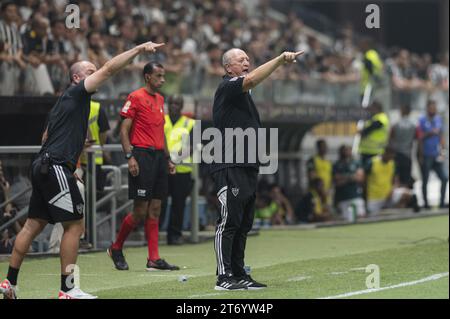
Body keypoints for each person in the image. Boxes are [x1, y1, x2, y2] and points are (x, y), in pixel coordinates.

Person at [0, 40, 165, 299]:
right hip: (54, 167)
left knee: (32, 226)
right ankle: (68, 290)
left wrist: (70, 166)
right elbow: (110, 69)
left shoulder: (65, 102)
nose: (95, 72)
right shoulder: (78, 93)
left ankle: (10, 283)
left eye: (94, 70)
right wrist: (138, 50)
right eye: (90, 71)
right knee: (75, 227)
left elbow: (45, 137)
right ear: (77, 78)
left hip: (45, 166)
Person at [211, 48, 304, 290]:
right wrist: (281, 60)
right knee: (228, 221)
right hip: (230, 163)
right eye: (241, 60)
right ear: (228, 67)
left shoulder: (243, 95)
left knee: (243, 224)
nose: (246, 62)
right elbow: (251, 79)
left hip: (247, 165)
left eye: (247, 59)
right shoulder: (228, 86)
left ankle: (239, 273)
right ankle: (224, 277)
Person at [107, 62, 179, 272]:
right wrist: (130, 157)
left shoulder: (160, 99)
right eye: (159, 76)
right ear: (147, 77)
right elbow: (123, 131)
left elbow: (160, 131)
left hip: (158, 158)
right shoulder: (135, 97)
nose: (163, 80)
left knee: (155, 209)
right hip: (141, 155)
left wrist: (168, 158)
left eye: (163, 76)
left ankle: (153, 259)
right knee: (140, 211)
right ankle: (116, 247)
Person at [161, 95, 195, 245]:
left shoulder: (190, 123)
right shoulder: (161, 120)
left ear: (182, 106)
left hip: (182, 170)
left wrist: (174, 160)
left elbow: (192, 146)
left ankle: (174, 235)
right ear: (168, 104)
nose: (174, 105)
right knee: (158, 203)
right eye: (172, 103)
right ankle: (154, 234)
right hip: (162, 169)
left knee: (178, 204)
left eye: (178, 103)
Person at [365, 147, 418, 215]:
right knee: (372, 216)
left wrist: (393, 189)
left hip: (389, 194)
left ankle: (396, 214)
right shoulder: (372, 162)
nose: (391, 158)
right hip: (374, 197)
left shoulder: (392, 163)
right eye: (391, 156)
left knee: (407, 194)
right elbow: (364, 180)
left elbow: (395, 179)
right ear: (385, 153)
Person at [417, 100, 448, 209]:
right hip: (426, 154)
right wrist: (420, 155)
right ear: (427, 108)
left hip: (436, 154)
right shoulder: (422, 120)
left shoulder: (438, 119)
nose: (434, 110)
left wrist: (443, 151)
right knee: (425, 179)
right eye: (432, 108)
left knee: (444, 178)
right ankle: (426, 204)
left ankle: (442, 202)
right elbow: (419, 138)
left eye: (435, 108)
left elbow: (441, 135)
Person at [333, 145, 366, 222]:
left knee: (360, 216)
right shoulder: (337, 165)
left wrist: (344, 177)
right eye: (345, 150)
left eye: (348, 150)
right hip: (343, 197)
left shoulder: (356, 163)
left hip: (355, 195)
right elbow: (337, 181)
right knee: (346, 220)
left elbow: (360, 178)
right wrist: (352, 177)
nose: (347, 152)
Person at [389, 104, 418, 186]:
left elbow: (390, 139)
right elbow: (416, 139)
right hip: (407, 155)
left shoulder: (395, 124)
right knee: (406, 179)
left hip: (396, 154)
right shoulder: (414, 125)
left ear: (401, 111)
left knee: (395, 177)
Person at [358, 101, 390, 168]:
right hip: (367, 150)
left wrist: (362, 132)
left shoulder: (381, 117)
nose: (371, 110)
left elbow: (373, 127)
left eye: (372, 108)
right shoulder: (374, 118)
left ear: (376, 108)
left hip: (374, 151)